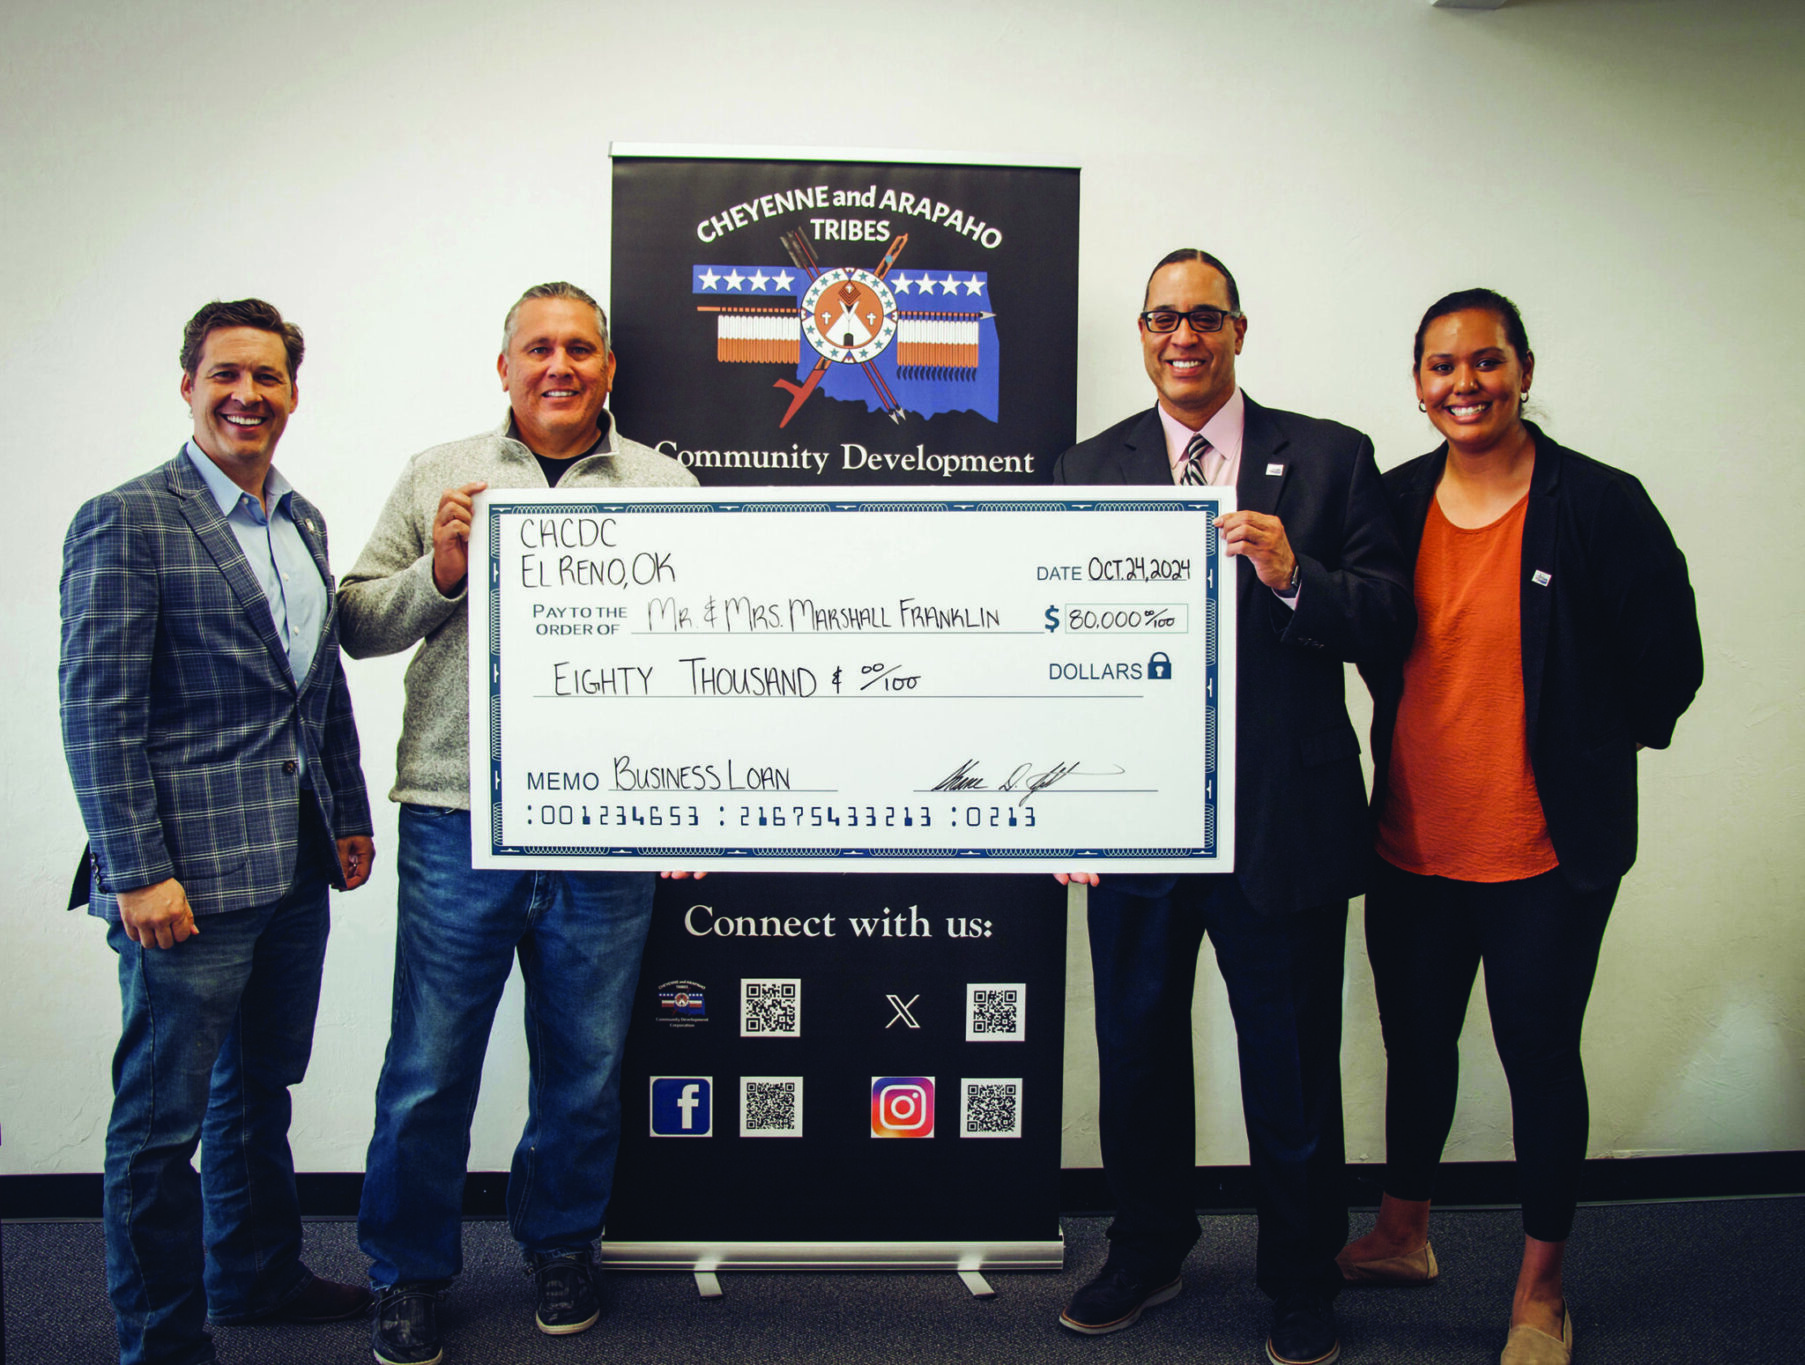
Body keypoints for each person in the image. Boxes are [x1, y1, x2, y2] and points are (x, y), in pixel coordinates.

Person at [1053, 250, 1413, 1365]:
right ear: (1143, 332)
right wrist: (1062, 809)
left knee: (1291, 1064)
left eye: (1203, 319)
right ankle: (1148, 1245)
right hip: (1136, 820)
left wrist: (1295, 574)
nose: (1182, 338)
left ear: (1238, 332)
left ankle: (1301, 1276)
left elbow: (1392, 617)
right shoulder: (1085, 467)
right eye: (1163, 319)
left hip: (1282, 819)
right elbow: (1049, 647)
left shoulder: (1331, 457)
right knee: (1137, 1050)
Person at [1336, 289, 1702, 1365]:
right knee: (1414, 1046)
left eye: (1485, 362)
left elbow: (1665, 668)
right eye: (1441, 366)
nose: (1464, 383)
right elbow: (1363, 635)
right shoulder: (1391, 503)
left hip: (1542, 853)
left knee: (1537, 1057)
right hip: (1409, 844)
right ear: (1415, 385)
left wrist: (1581, 750)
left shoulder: (1598, 502)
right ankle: (1404, 1234)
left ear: (1524, 370)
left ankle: (1540, 1293)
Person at [341, 282, 700, 1365]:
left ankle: (560, 1244)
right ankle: (405, 1271)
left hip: (606, 825)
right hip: (459, 814)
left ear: (607, 370)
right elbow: (355, 621)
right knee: (427, 1066)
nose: (560, 365)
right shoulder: (436, 474)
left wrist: (686, 804)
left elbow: (709, 664)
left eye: (581, 349)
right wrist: (439, 573)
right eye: (538, 348)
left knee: (583, 1064)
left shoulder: (664, 486)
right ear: (503, 367)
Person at [59, 298, 376, 1365]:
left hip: (290, 860)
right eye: (225, 375)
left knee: (260, 1088)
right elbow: (97, 711)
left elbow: (317, 685)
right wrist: (134, 868)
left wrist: (348, 813)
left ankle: (255, 1276)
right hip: (181, 880)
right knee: (160, 1125)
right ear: (188, 384)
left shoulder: (303, 520)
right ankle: (160, 1339)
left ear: (294, 390)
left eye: (269, 377)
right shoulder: (128, 518)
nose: (248, 395)